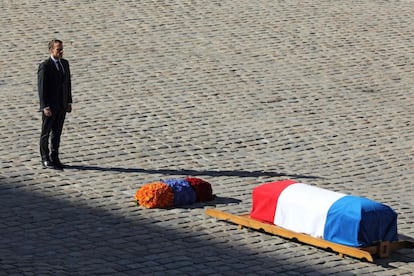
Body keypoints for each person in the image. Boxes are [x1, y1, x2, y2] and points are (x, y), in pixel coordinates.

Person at [38, 39, 72, 170]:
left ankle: (55, 156)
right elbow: (41, 88)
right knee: (46, 133)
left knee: (57, 133)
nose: (61, 52)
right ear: (51, 50)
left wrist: (68, 101)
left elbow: (67, 84)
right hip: (50, 106)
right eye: (58, 49)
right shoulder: (45, 66)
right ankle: (45, 158)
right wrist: (44, 106)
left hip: (61, 105)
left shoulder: (65, 63)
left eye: (62, 49)